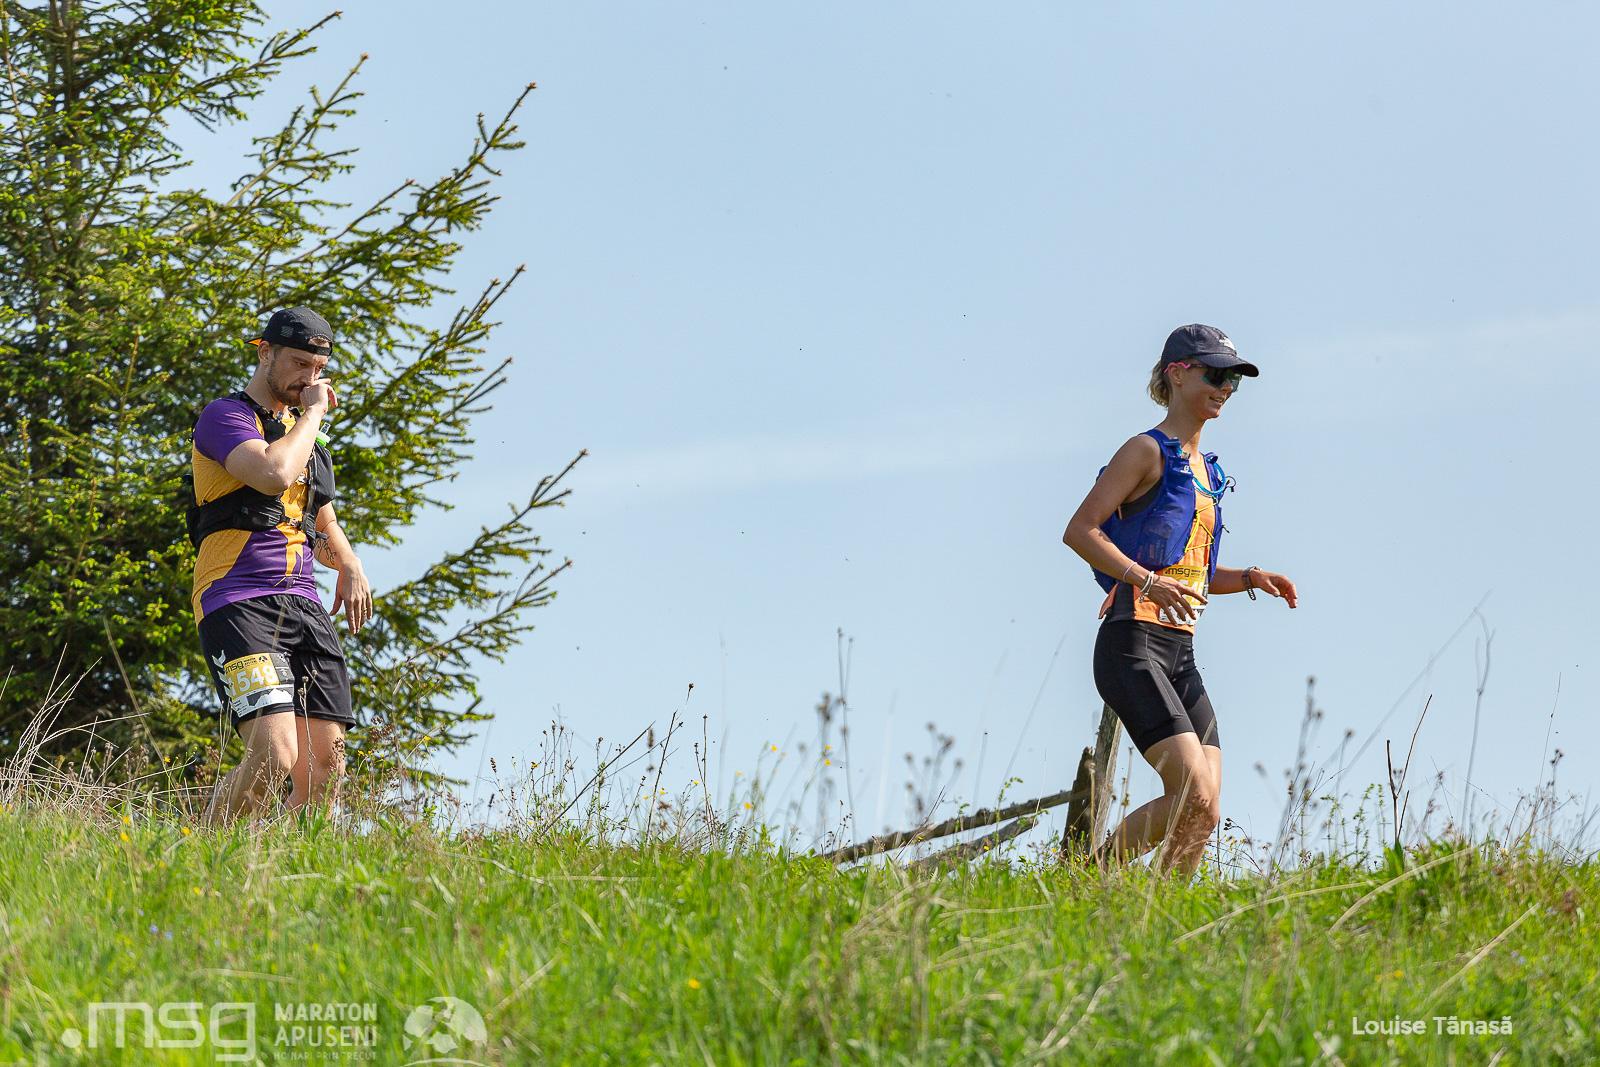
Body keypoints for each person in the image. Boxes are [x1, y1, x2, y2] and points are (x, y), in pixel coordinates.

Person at [1061, 324, 1297, 876]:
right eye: (1215, 375)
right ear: (1177, 373)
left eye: (1234, 381)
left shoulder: (1207, 470)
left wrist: (1250, 577)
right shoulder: (1144, 451)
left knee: (1205, 808)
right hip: (1131, 644)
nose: (1226, 388)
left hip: (1180, 653)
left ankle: (1161, 916)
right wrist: (1144, 580)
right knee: (1190, 792)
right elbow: (1079, 531)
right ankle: (1082, 883)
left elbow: (1192, 575)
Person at [188, 306, 373, 824]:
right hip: (237, 598)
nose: (309, 379)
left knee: (325, 771)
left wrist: (349, 563)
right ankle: (205, 854)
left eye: (319, 369)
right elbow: (272, 474)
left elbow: (320, 521)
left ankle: (285, 867)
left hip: (304, 604)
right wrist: (313, 416)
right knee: (273, 755)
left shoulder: (301, 432)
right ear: (265, 352)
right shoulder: (225, 416)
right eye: (298, 364)